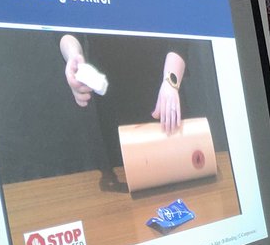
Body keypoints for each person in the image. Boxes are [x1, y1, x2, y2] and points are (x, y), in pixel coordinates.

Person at [60, 33, 187, 190]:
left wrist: (170, 82)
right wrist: (74, 59)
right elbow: (68, 30)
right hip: (112, 108)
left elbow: (180, 32)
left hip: (164, 101)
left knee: (177, 182)